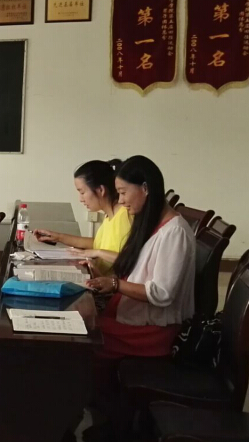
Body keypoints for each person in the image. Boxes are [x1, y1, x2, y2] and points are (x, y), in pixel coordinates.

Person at [82, 156, 195, 440]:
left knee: (86, 343)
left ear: (145, 188)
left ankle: (117, 423)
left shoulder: (175, 232)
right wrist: (103, 275)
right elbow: (133, 267)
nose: (120, 201)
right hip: (134, 317)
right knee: (84, 329)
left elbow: (161, 293)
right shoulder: (152, 223)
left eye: (123, 193)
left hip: (153, 330)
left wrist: (114, 284)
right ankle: (110, 415)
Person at [33, 159, 132, 274]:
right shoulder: (109, 216)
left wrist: (97, 252)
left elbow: (131, 260)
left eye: (82, 192)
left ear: (101, 190)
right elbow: (98, 244)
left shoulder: (125, 215)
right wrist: (58, 237)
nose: (81, 199)